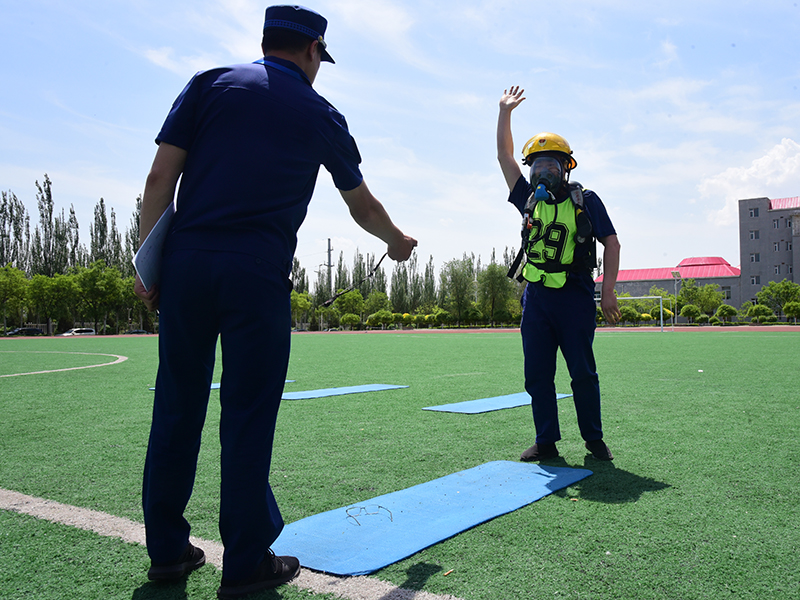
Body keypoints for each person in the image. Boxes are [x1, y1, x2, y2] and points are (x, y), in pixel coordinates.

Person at [134, 6, 417, 598]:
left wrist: (149, 262)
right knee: (247, 416)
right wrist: (396, 241)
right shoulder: (320, 113)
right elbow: (360, 205)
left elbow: (160, 180)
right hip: (256, 275)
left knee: (177, 406)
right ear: (313, 50)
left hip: (186, 266)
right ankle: (244, 562)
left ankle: (165, 550)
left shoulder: (209, 84)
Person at [496, 86, 621, 463]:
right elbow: (504, 157)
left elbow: (612, 244)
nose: (542, 171)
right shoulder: (528, 199)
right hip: (536, 298)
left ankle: (594, 440)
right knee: (537, 374)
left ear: (566, 168)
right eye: (537, 165)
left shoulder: (587, 201)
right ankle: (546, 441)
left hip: (575, 294)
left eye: (551, 165)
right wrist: (505, 113)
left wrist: (609, 291)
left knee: (582, 371)